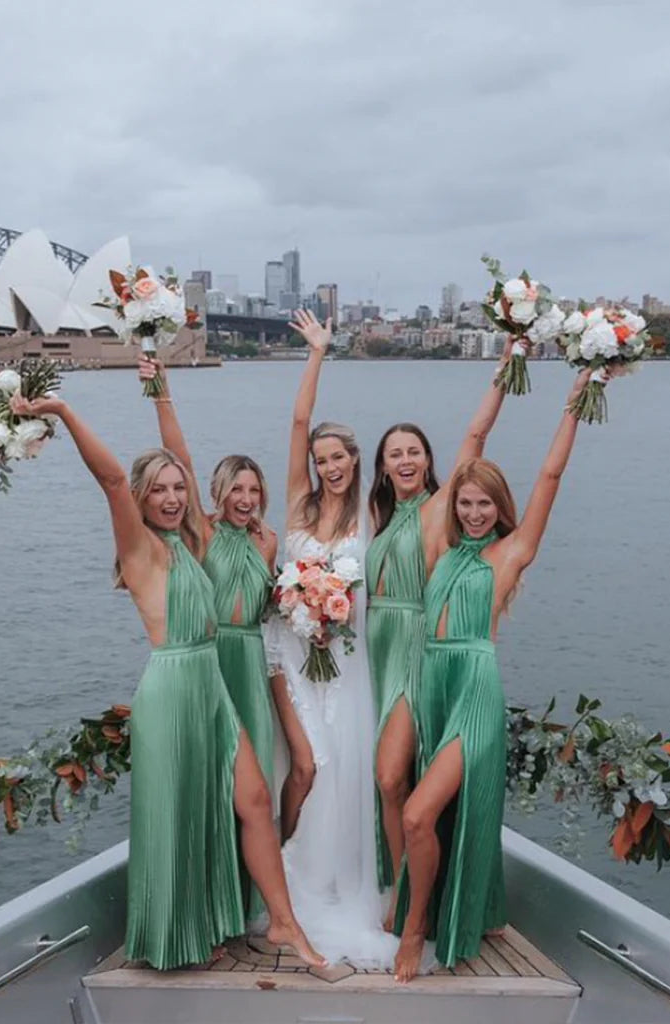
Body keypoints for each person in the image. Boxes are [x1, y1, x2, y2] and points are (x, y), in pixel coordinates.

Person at [8, 391, 323, 971]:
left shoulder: (195, 542)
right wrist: (63, 412)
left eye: (180, 488)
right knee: (179, 815)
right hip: (173, 689)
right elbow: (107, 479)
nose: (174, 498)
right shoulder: (140, 549)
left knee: (253, 801)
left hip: (214, 687)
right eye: (160, 489)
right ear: (141, 498)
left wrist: (166, 394)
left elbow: (183, 455)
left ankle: (282, 922)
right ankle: (178, 935)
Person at [393, 370, 594, 983]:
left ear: (500, 509)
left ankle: (414, 930)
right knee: (441, 816)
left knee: (416, 816)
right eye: (466, 503)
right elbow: (470, 441)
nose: (476, 513)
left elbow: (551, 477)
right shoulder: (441, 551)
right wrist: (508, 364)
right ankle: (472, 911)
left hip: (475, 694)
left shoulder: (511, 552)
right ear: (453, 504)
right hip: (433, 685)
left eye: (486, 504)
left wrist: (576, 404)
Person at [366, 345, 515, 928]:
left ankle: (410, 907)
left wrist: (504, 371)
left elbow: (476, 437)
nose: (404, 459)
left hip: (413, 652)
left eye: (414, 451)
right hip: (375, 655)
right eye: (393, 453)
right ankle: (404, 893)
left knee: (388, 776)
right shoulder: (380, 518)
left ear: (428, 461)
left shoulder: (436, 511)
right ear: (382, 466)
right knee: (388, 781)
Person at [267, 309, 398, 965]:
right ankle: (283, 888)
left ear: (354, 458)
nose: (328, 468)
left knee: (339, 773)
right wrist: (317, 352)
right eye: (320, 460)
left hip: (344, 667)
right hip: (291, 660)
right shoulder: (297, 503)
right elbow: (296, 423)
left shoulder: (371, 513)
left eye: (338, 457)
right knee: (303, 766)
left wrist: (334, 610)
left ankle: (321, 887)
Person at [137, 355, 277, 920]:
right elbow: (181, 459)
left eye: (254, 489)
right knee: (212, 794)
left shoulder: (269, 543)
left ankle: (245, 909)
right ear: (218, 493)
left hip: (252, 664)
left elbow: (267, 611)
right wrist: (160, 392)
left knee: (254, 792)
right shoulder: (202, 532)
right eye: (236, 489)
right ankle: (211, 908)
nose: (246, 498)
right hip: (210, 669)